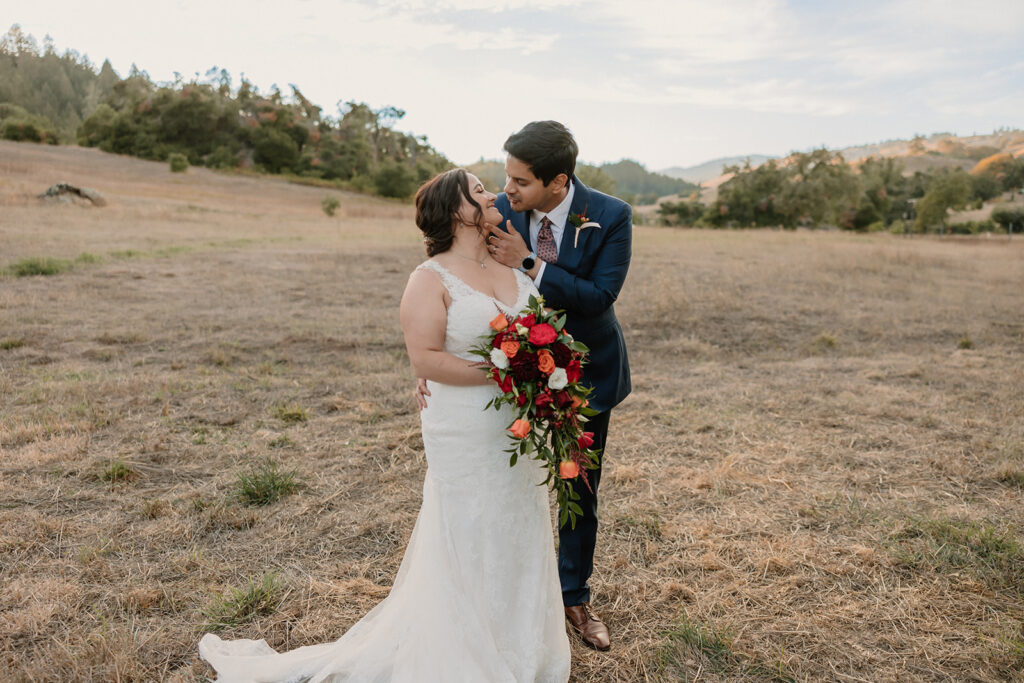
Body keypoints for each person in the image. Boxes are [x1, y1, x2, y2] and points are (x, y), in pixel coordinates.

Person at [198, 168, 571, 682]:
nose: (492, 195)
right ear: (456, 210)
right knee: (469, 526)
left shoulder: (512, 262)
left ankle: (520, 645)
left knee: (519, 521)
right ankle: (462, 654)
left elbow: (541, 332)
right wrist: (508, 371)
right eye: (479, 190)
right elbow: (426, 361)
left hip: (517, 428)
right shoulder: (428, 278)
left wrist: (541, 367)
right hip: (464, 426)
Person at [487, 120, 632, 652]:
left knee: (578, 488)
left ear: (558, 181)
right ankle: (504, 591)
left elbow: (599, 296)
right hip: (513, 369)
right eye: (506, 178)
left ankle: (574, 596)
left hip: (587, 373)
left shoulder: (612, 216)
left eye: (519, 182)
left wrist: (529, 262)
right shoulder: (499, 211)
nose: (507, 191)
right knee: (504, 480)